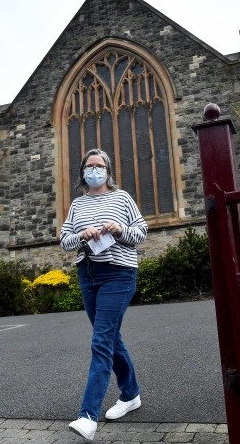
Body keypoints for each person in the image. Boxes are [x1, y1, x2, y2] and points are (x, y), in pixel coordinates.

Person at [60, 148, 148, 441]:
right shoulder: (77, 204)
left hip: (119, 275)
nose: (93, 170)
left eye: (99, 166)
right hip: (88, 274)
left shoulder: (122, 198)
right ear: (83, 172)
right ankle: (131, 394)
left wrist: (120, 229)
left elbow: (141, 231)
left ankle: (88, 416)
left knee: (100, 341)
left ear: (108, 171)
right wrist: (82, 235)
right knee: (110, 338)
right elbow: (65, 240)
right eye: (89, 166)